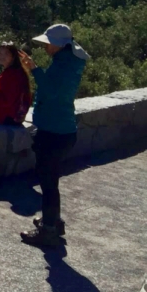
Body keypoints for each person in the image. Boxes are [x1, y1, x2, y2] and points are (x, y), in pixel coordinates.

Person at [17, 25, 89, 248]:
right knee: (51, 180)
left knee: (48, 183)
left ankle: (48, 231)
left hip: (53, 132)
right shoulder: (69, 61)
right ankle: (54, 222)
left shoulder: (62, 66)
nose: (46, 46)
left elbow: (50, 90)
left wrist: (34, 69)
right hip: (63, 130)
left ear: (59, 44)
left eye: (49, 42)